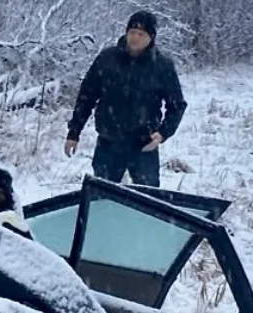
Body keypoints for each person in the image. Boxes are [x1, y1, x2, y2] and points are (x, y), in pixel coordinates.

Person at [62, 10, 187, 187]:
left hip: (144, 144)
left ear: (151, 37)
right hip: (109, 142)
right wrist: (74, 133)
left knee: (147, 201)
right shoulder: (107, 59)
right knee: (101, 197)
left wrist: (163, 133)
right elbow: (86, 97)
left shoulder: (162, 66)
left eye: (141, 34)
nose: (135, 38)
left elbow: (177, 105)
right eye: (132, 32)